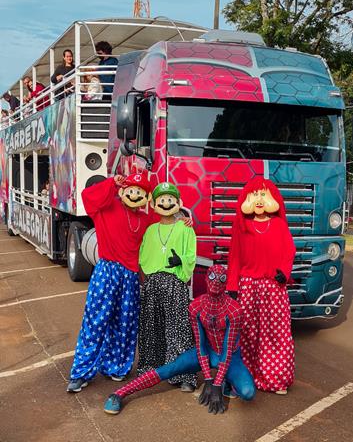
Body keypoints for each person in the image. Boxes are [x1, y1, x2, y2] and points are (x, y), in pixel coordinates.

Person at [103, 265, 256, 416]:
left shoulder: (234, 309)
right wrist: (208, 379)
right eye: (212, 277)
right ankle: (119, 393)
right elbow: (200, 344)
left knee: (248, 392)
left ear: (226, 282)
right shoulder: (196, 306)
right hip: (207, 351)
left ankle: (226, 382)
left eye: (221, 279)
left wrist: (216, 384)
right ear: (205, 279)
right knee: (171, 368)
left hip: (230, 356)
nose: (216, 282)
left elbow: (227, 350)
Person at [67, 174, 153, 392]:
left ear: (146, 196)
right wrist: (111, 183)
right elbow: (88, 196)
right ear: (123, 192)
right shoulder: (107, 208)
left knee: (125, 324)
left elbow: (164, 222)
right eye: (131, 190)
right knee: (95, 322)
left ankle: (117, 367)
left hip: (131, 276)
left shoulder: (144, 219)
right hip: (107, 271)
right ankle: (81, 373)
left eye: (139, 192)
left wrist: (183, 220)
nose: (134, 195)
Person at [226, 177, 296, 395]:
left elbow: (289, 251)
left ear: (273, 200)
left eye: (263, 195)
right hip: (248, 286)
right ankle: (247, 375)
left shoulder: (279, 225)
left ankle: (276, 378)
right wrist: (232, 286)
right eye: (254, 195)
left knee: (275, 332)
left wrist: (284, 273)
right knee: (247, 333)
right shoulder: (242, 226)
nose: (258, 200)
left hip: (274, 287)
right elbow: (234, 256)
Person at [137, 182, 197, 392]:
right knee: (151, 328)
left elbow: (191, 254)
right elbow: (143, 255)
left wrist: (179, 260)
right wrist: (146, 279)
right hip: (152, 283)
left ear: (178, 203)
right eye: (161, 200)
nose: (166, 203)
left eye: (170, 199)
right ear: (154, 204)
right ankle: (150, 367)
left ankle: (185, 373)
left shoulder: (185, 228)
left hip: (175, 283)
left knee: (178, 330)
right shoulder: (151, 229)